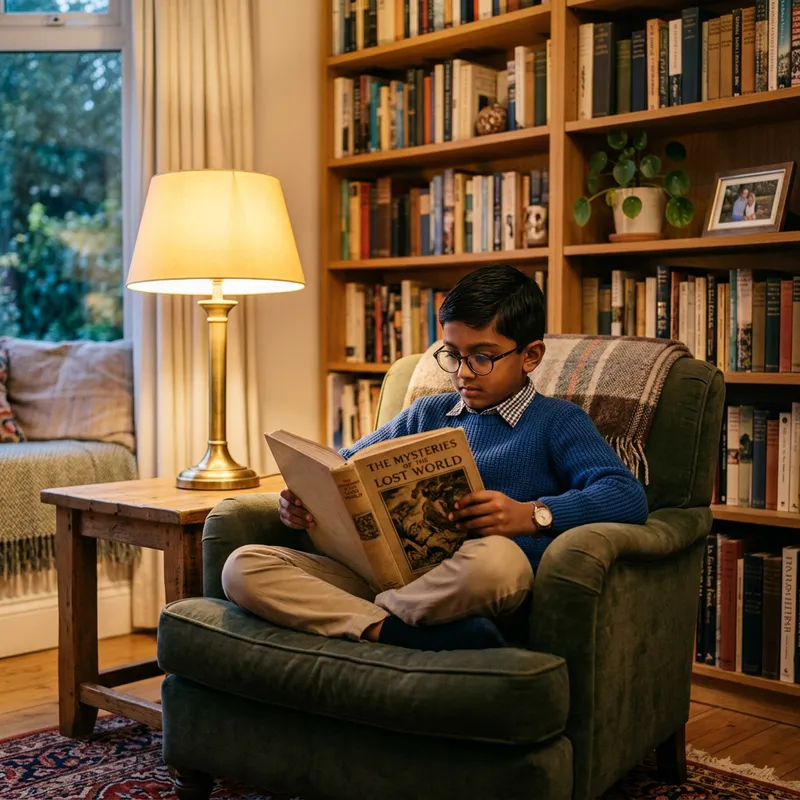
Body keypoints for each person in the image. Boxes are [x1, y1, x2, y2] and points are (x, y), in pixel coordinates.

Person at [221, 265, 649, 651]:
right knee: (243, 567)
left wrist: (532, 515)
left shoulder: (557, 422)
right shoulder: (428, 413)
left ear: (530, 356)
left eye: (481, 357)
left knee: (499, 562)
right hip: (384, 575)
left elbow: (626, 495)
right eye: (452, 354)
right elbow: (344, 468)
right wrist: (301, 500)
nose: (462, 372)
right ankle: (393, 630)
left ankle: (369, 617)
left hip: (471, 578)